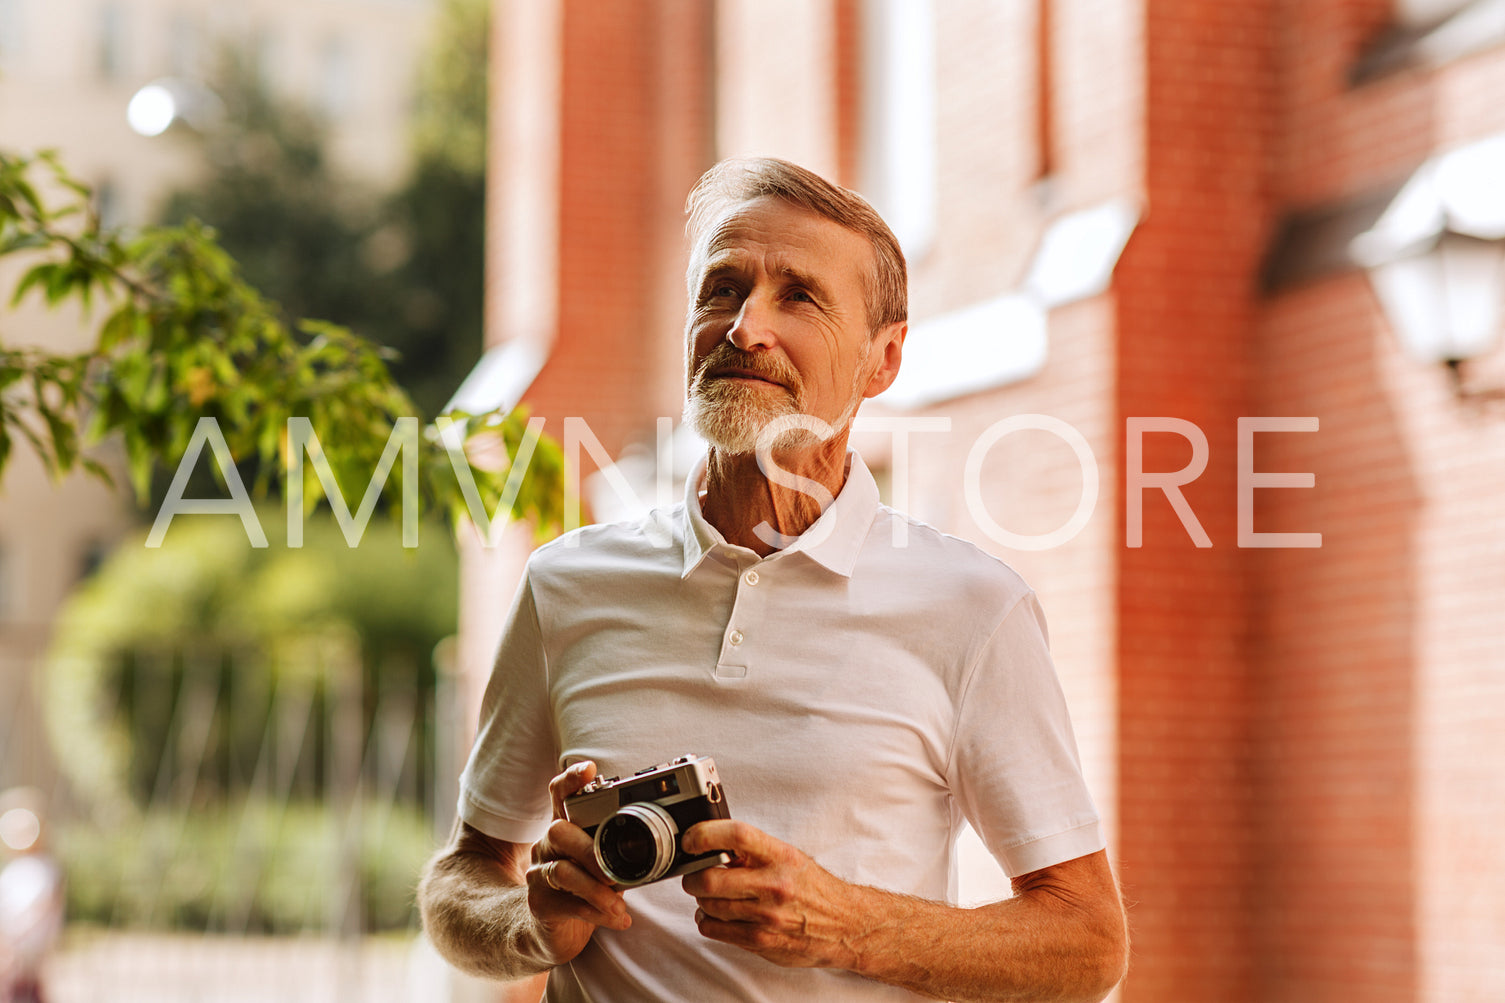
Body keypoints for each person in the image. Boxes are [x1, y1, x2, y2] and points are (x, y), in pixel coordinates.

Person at [419, 158, 1128, 1002]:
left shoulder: (972, 607)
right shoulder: (565, 583)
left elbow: (1086, 943)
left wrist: (846, 924)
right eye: (721, 289)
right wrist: (529, 925)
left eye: (798, 296)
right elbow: (464, 873)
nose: (744, 326)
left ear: (883, 359)